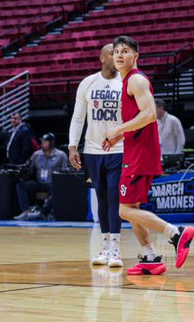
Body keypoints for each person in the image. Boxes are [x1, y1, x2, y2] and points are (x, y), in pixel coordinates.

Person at [101, 35, 194, 275]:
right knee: (131, 206)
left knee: (123, 210)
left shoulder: (136, 80)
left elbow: (150, 114)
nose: (119, 55)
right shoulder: (127, 81)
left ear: (136, 56)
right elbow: (138, 121)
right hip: (135, 150)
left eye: (125, 51)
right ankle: (151, 257)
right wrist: (119, 137)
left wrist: (117, 129)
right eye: (116, 52)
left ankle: (176, 233)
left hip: (140, 154)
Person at [68, 43, 125, 268]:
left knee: (114, 196)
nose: (117, 56)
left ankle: (116, 250)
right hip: (92, 150)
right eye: (112, 53)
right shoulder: (88, 83)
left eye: (120, 53)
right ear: (102, 58)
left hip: (118, 150)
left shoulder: (126, 82)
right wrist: (73, 146)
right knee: (101, 197)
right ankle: (104, 248)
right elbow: (78, 118)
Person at [16, 134, 70, 221]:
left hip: (53, 183)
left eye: (45, 142)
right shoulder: (36, 154)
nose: (42, 143)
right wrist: (24, 172)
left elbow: (65, 172)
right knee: (21, 185)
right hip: (39, 183)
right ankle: (25, 211)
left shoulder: (61, 155)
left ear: (51, 143)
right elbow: (29, 168)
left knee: (58, 190)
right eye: (42, 141)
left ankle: (42, 212)